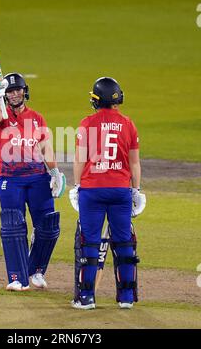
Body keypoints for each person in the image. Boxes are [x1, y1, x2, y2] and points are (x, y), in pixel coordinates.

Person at [69, 77, 146, 309]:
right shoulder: (128, 124)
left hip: (92, 190)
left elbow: (80, 159)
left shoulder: (87, 123)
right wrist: (136, 190)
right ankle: (126, 298)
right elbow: (135, 163)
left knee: (90, 243)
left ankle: (86, 298)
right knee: (124, 244)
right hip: (121, 190)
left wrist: (76, 186)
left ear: (96, 100)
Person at [0, 72, 66, 291]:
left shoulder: (37, 118)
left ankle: (37, 270)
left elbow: (45, 147)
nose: (13, 94)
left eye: (17, 90)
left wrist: (55, 172)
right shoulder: (2, 116)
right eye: (9, 91)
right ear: (5, 95)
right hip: (10, 179)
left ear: (25, 91)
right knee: (13, 225)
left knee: (49, 225)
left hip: (38, 178)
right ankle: (17, 278)